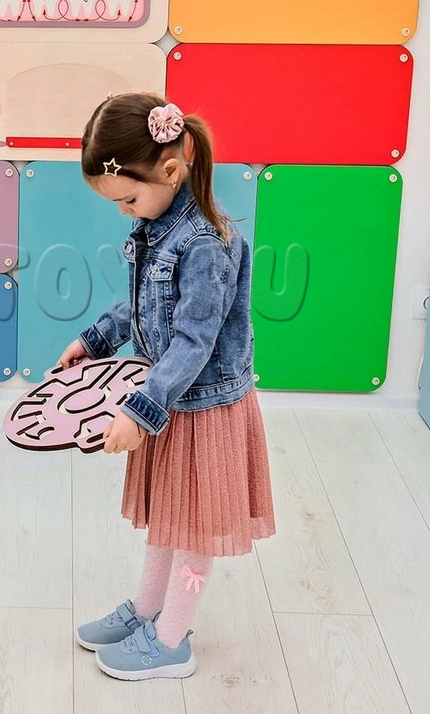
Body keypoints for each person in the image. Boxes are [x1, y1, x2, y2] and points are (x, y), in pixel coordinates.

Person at [59, 93, 275, 680]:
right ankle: (148, 609)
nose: (124, 211)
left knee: (194, 527)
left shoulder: (206, 243)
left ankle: (172, 638)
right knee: (169, 515)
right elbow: (142, 305)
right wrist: (95, 340)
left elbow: (193, 341)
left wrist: (140, 409)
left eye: (128, 199)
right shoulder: (156, 224)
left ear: (172, 170)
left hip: (201, 406)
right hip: (169, 398)